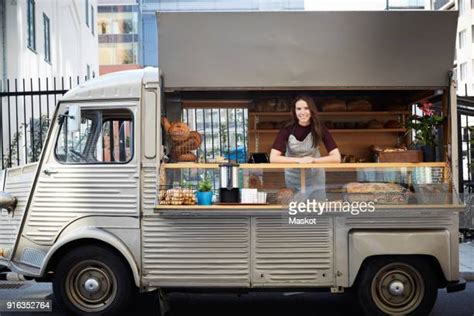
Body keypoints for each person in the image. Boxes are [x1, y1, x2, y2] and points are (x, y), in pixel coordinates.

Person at [270, 95, 341, 201]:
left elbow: (336, 157)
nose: (302, 112)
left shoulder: (319, 128)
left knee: (317, 210)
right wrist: (300, 161)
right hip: (293, 178)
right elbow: (273, 158)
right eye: (299, 109)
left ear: (312, 110)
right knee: (296, 210)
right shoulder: (287, 129)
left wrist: (313, 160)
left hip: (315, 178)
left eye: (306, 108)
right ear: (294, 111)